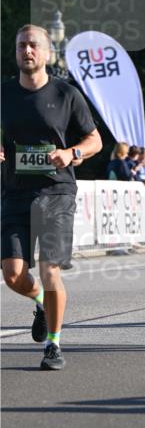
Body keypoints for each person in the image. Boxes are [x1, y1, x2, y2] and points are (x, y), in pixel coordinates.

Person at [1, 24, 102, 369]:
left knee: (49, 268)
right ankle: (43, 302)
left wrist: (72, 153)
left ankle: (53, 345)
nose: (27, 51)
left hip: (56, 191)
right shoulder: (4, 93)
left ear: (46, 53)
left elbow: (95, 140)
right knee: (12, 274)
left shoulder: (66, 94)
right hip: (15, 192)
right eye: (21, 46)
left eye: (33, 45)